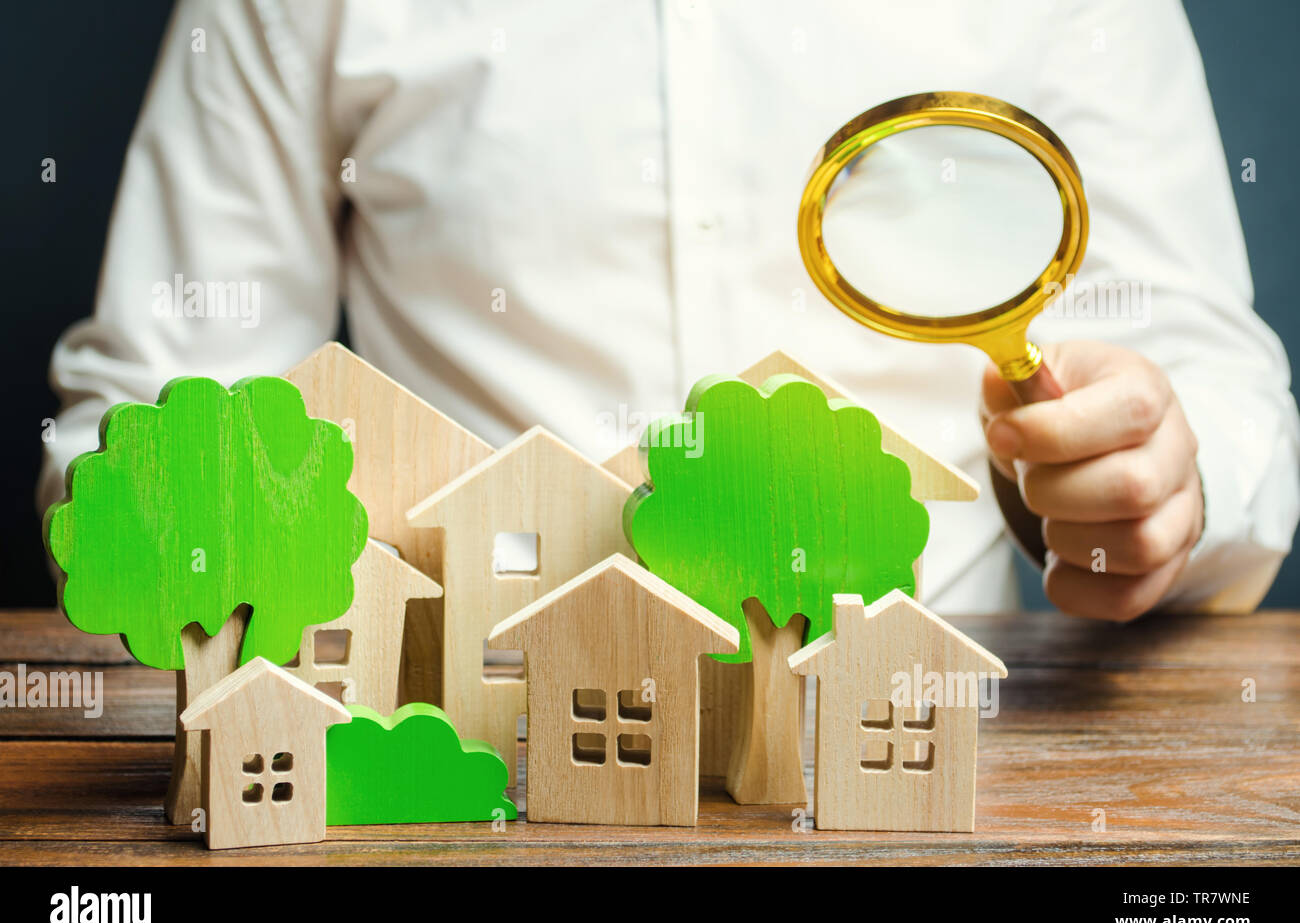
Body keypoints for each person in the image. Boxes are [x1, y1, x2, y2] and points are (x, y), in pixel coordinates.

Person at [40, 0, 1299, 620]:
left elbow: (1215, 393)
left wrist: (1148, 488)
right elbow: (149, 422)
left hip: (944, 744)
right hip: (463, 746)